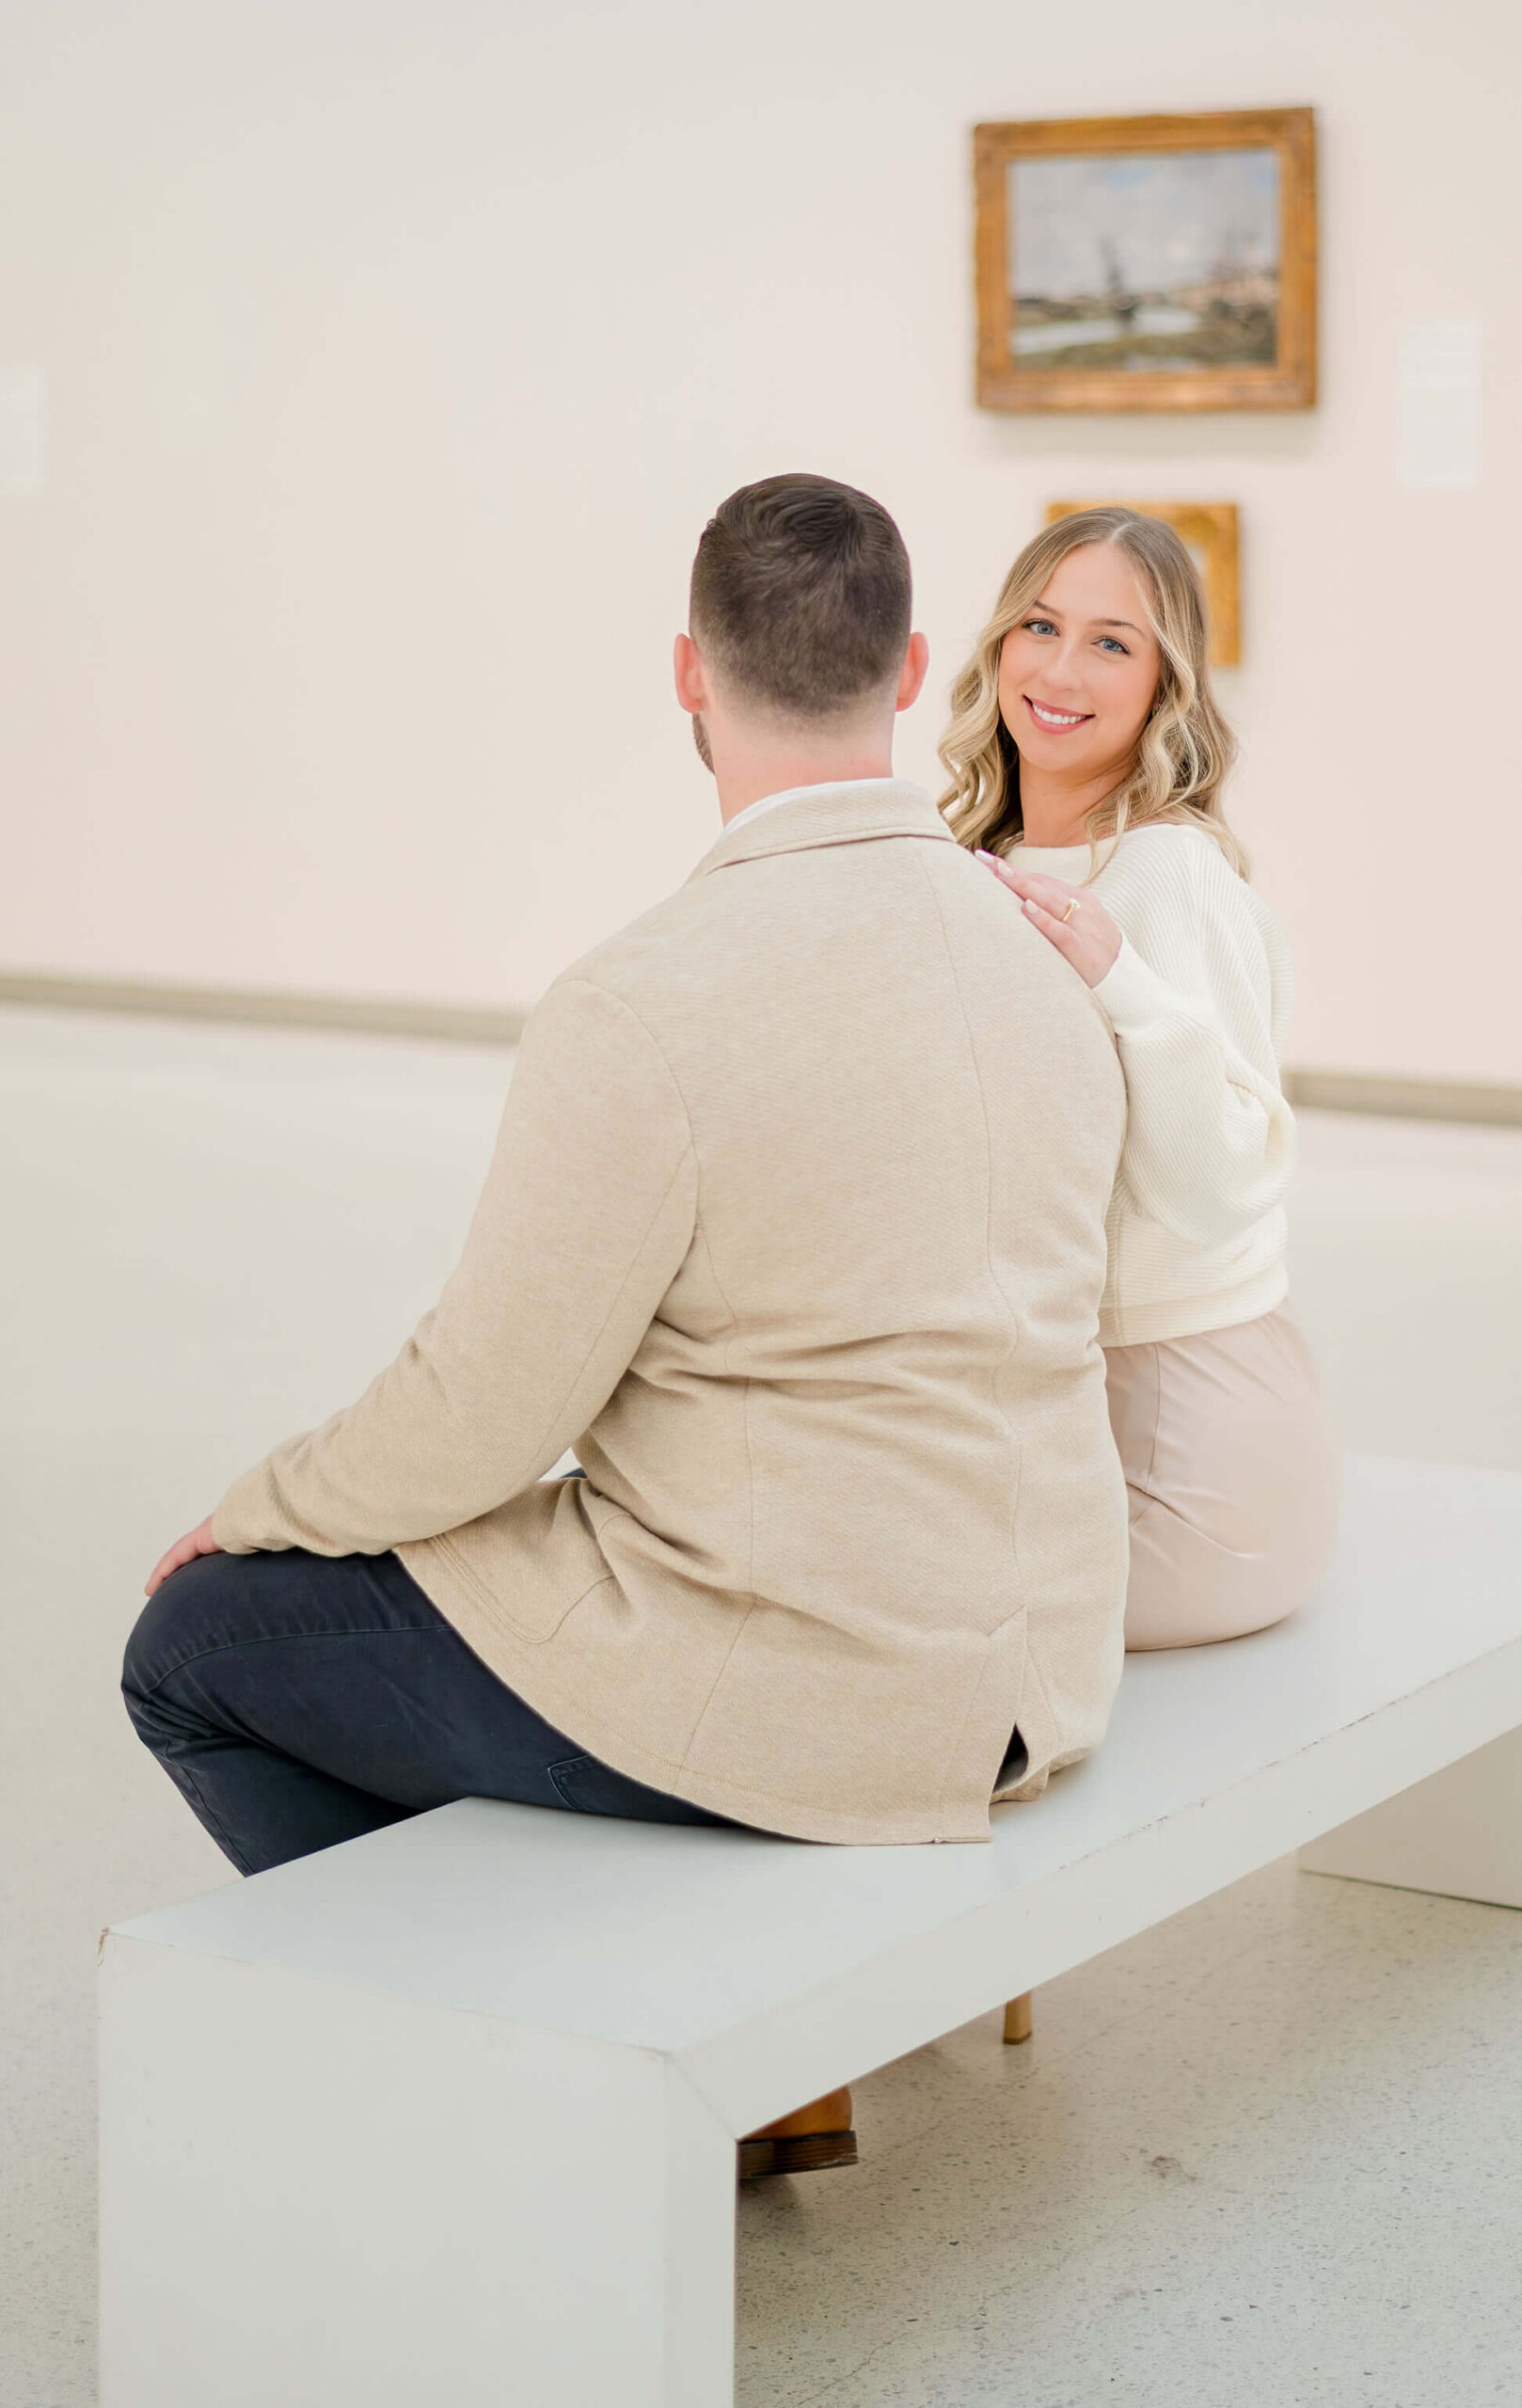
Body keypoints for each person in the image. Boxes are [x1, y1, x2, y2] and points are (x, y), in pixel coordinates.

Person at [124, 473, 1130, 2178]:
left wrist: (259, 1508)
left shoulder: (643, 1003)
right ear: (905, 671)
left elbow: (478, 1419)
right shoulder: (1039, 949)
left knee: (201, 1651)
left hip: (826, 1686)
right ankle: (720, 2051)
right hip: (1034, 1656)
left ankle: (513, 2070)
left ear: (687, 674)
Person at [944, 507, 1340, 1651]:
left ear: (1165, 683)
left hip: (1192, 1444)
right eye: (1039, 624)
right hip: (1062, 1408)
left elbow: (1225, 1183)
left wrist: (1121, 979)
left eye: (1111, 642)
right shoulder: (988, 864)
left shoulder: (1166, 872)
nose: (1060, 670)